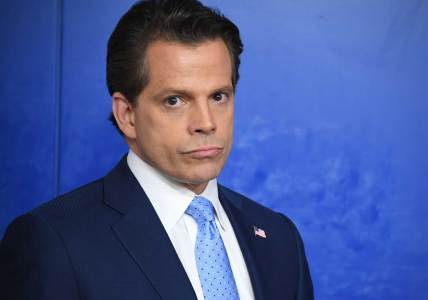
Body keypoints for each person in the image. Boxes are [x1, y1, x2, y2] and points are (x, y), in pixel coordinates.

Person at [0, 0, 313, 299]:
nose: (206, 123)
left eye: (218, 96)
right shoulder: (54, 243)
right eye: (175, 100)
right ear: (127, 115)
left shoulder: (279, 237)